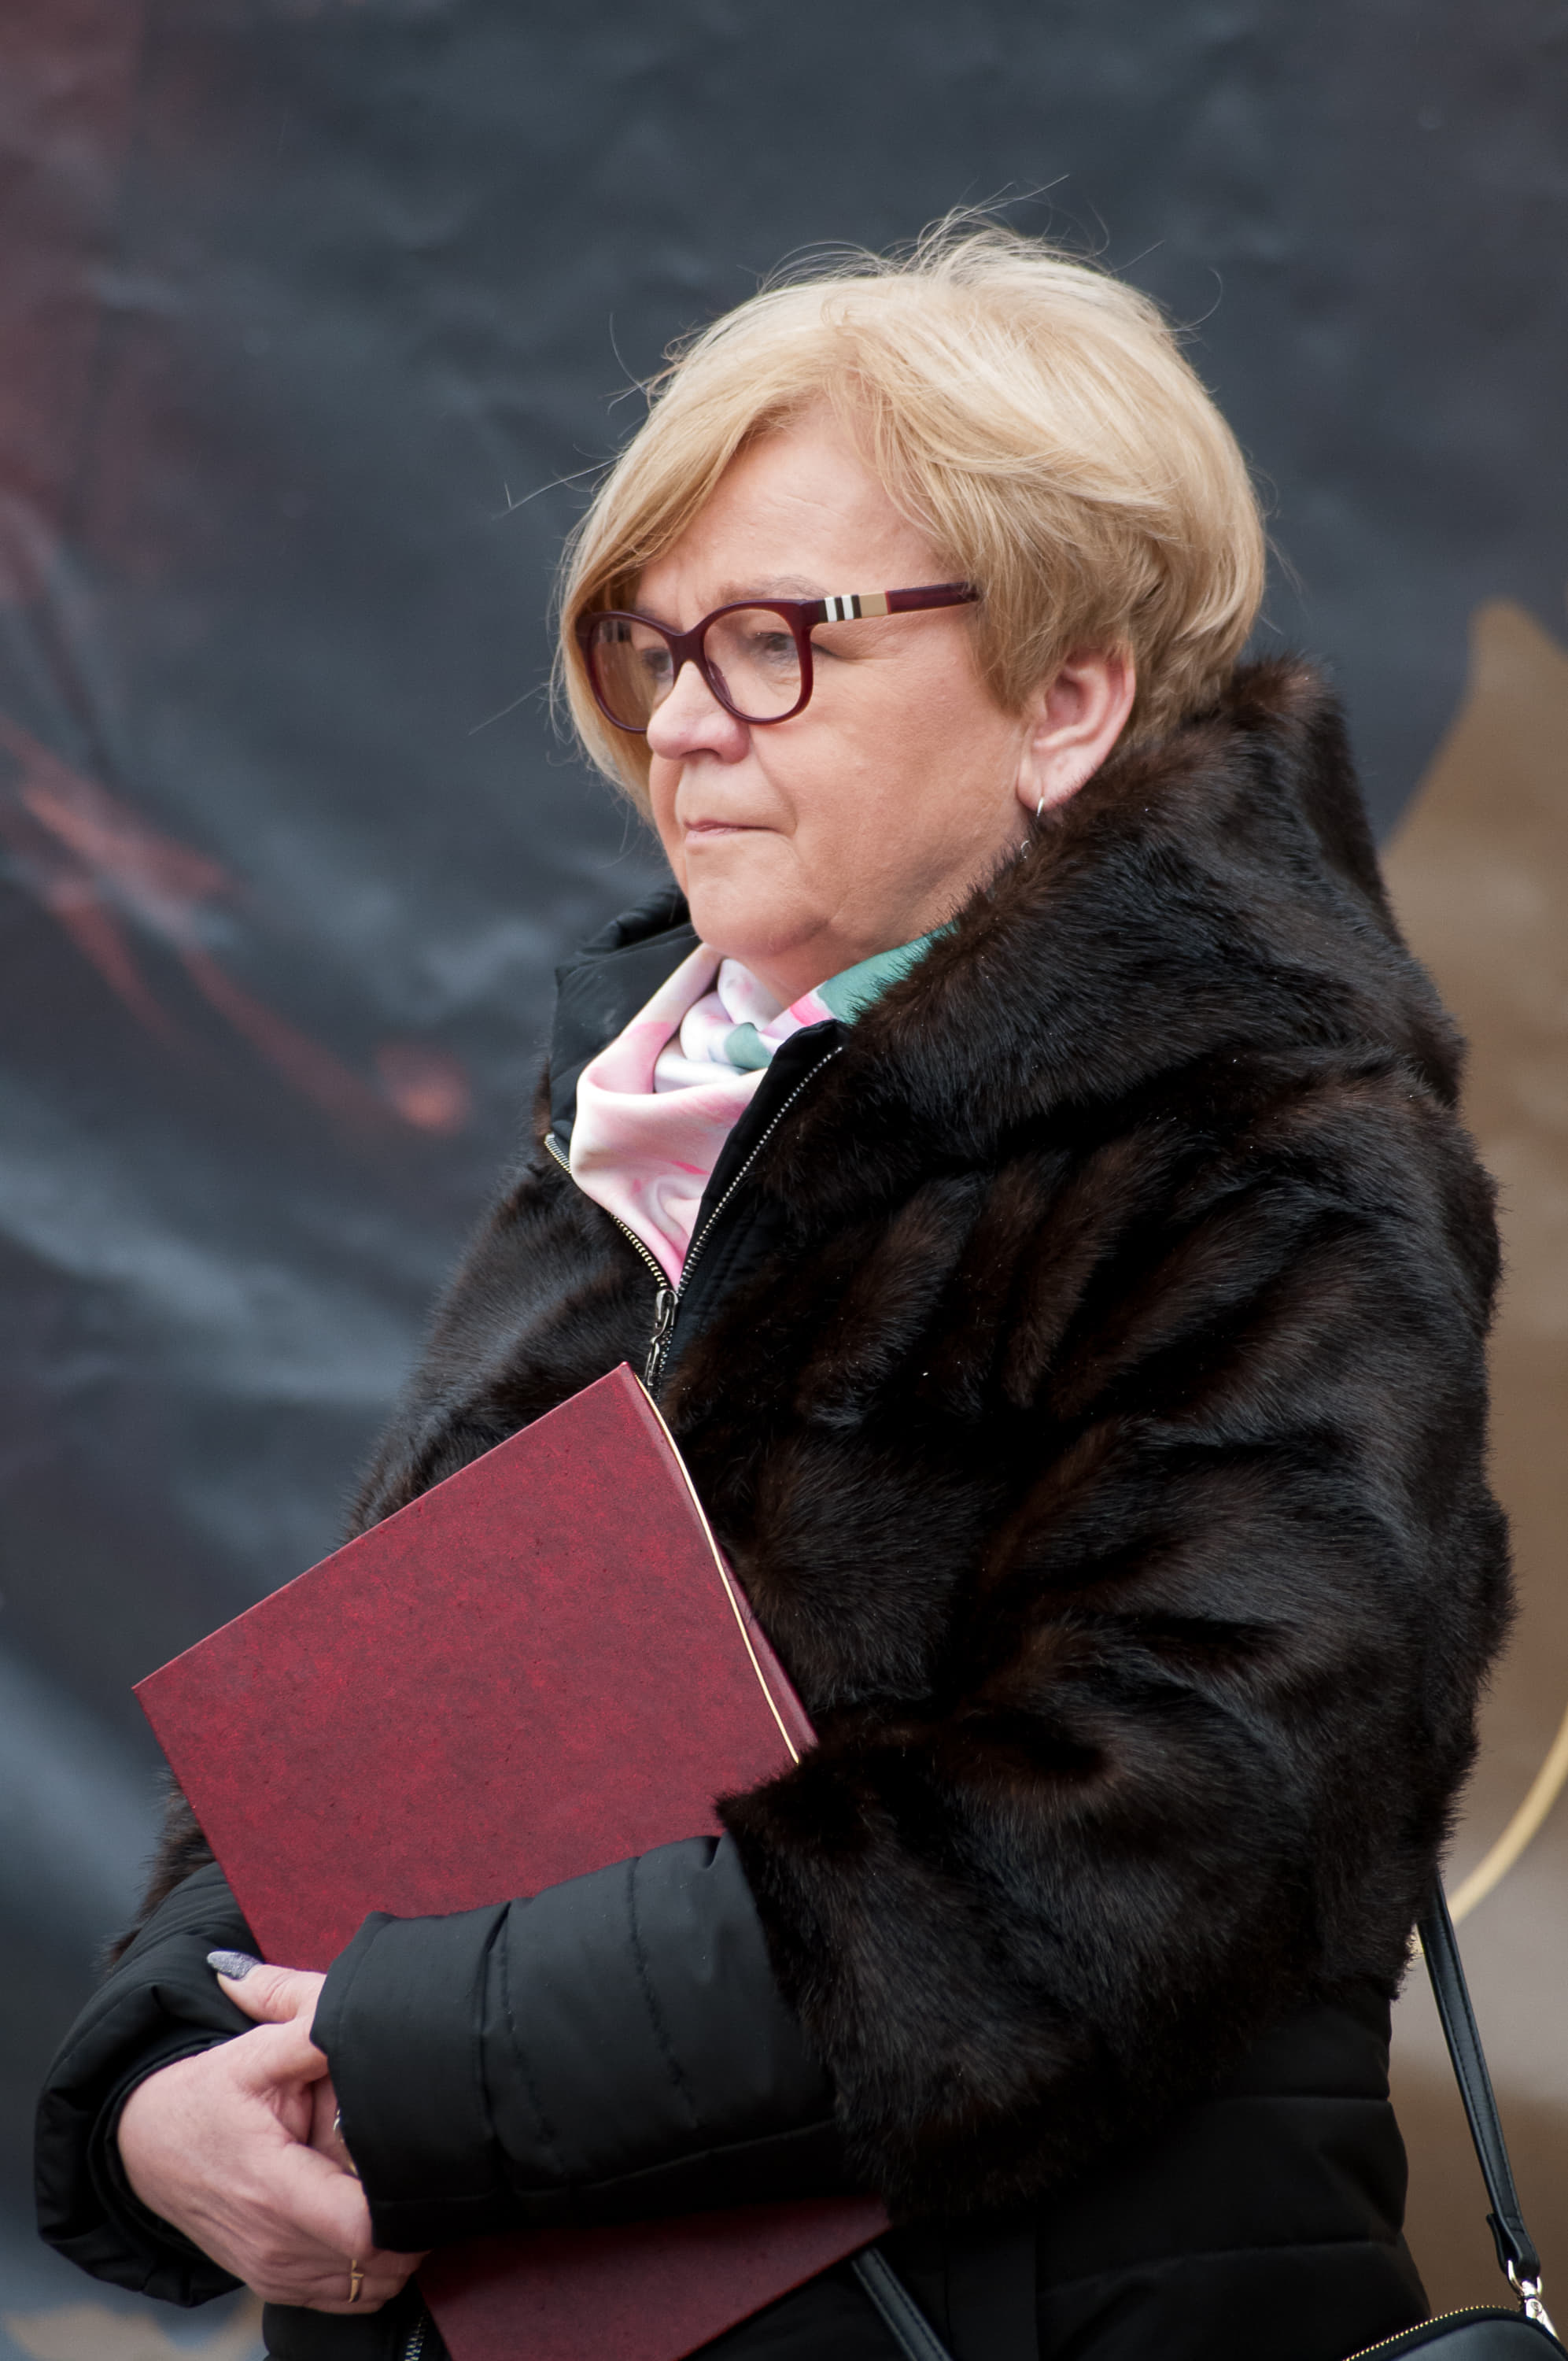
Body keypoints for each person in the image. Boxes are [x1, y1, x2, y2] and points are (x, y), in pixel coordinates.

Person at [36, 223, 1508, 2361]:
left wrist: (407, 2064)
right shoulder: (646, 1121)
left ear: (1067, 697)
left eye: (774, 641)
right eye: (652, 648)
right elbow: (370, 1757)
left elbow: (1136, 1841)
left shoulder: (1267, 1145)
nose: (682, 726)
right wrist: (164, 2087)